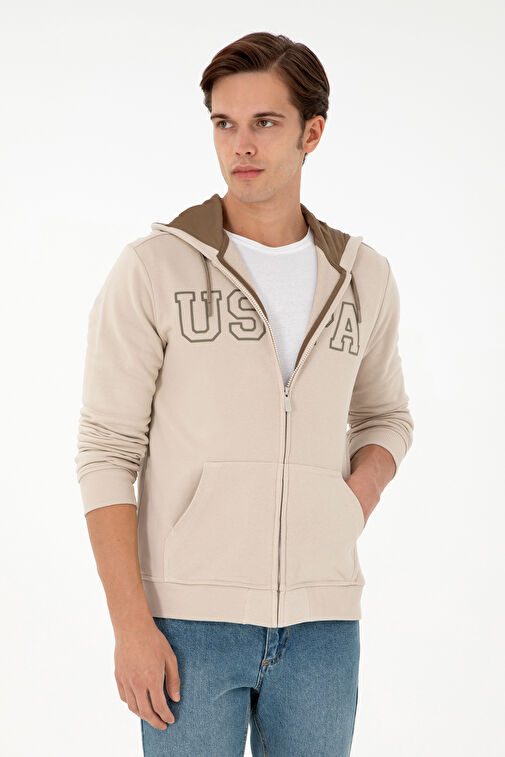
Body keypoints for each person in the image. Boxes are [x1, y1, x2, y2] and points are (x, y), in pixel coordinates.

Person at [75, 31, 414, 756]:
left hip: (323, 627)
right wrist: (130, 625)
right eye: (224, 124)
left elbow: (385, 415)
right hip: (186, 624)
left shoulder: (363, 277)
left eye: (264, 122)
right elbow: (106, 450)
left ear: (311, 133)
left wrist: (351, 501)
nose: (241, 145)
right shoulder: (155, 268)